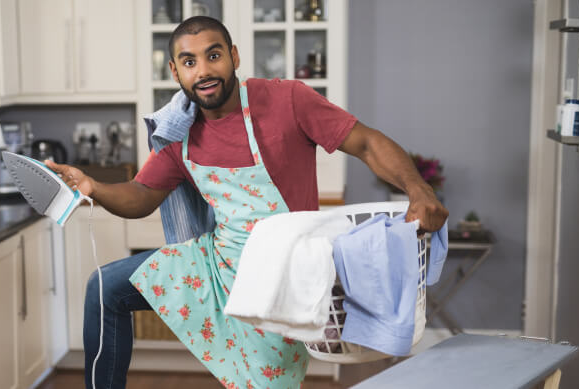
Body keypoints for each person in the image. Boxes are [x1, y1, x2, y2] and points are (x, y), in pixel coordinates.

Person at [46, 16, 449, 389]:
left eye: (213, 55)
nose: (203, 71)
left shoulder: (287, 101)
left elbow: (367, 142)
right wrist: (93, 187)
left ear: (234, 56)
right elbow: (141, 196)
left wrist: (419, 189)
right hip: (218, 265)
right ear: (175, 71)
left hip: (285, 279)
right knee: (105, 288)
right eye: (189, 61)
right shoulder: (178, 131)